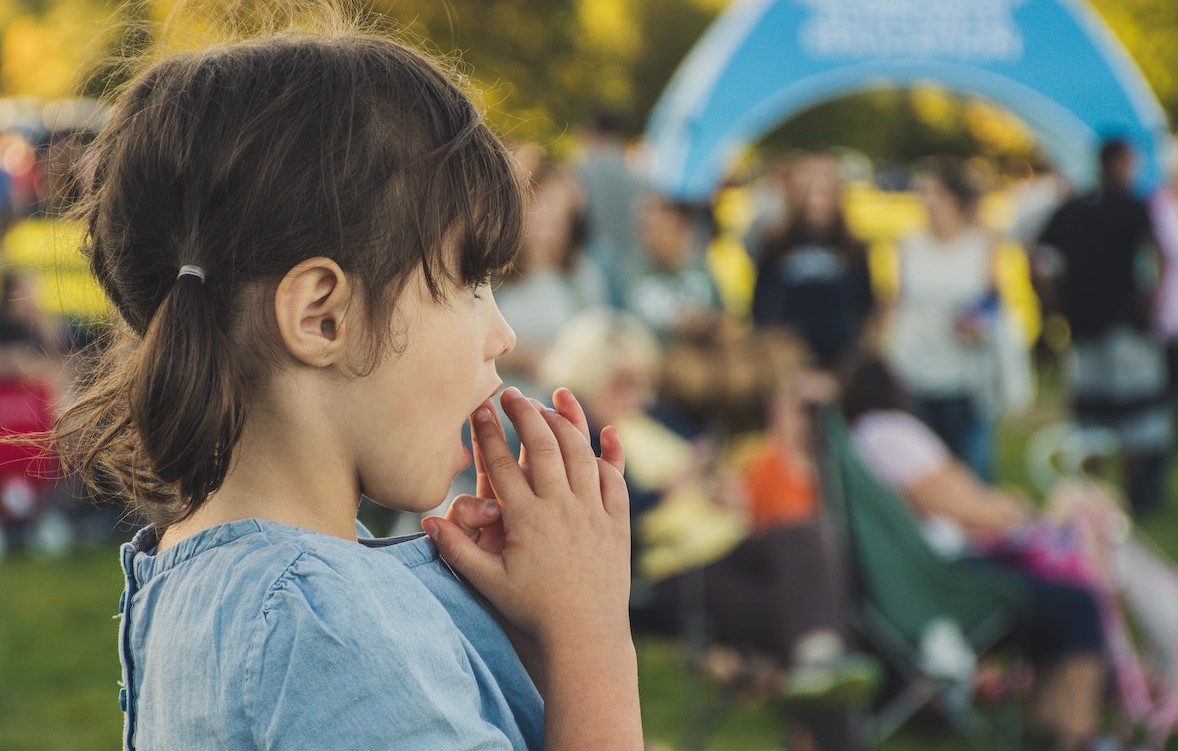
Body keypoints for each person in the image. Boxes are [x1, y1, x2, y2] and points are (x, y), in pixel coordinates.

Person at [51, 24, 641, 750]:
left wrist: (525, 636)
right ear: (323, 316)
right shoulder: (322, 625)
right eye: (469, 282)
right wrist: (594, 633)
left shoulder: (225, 578)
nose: (503, 334)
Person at [541, 310, 872, 751]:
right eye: (620, 383)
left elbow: (704, 460)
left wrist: (717, 486)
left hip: (727, 539)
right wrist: (667, 491)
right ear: (590, 378)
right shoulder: (582, 438)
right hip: (673, 567)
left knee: (806, 534)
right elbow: (596, 520)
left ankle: (819, 666)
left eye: (639, 381)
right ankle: (831, 702)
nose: (633, 394)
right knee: (814, 616)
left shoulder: (658, 418)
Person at [841, 356, 1108, 751]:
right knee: (1078, 603)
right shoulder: (889, 434)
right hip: (943, 583)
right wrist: (1017, 510)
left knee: (1057, 600)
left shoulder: (851, 443)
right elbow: (962, 501)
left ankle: (1050, 729)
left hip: (911, 585)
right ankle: (1075, 737)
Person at [1037, 139, 1172, 515]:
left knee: (1091, 419)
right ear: (1120, 163)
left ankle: (1094, 494)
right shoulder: (1131, 206)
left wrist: (1052, 305)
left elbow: (1040, 255)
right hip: (1123, 328)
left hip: (1084, 327)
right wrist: (1151, 302)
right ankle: (1133, 497)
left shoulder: (1075, 207)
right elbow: (1158, 253)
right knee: (1134, 419)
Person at [885, 156, 1001, 480]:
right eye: (923, 194)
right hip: (913, 369)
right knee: (919, 470)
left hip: (962, 374)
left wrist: (979, 322)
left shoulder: (982, 244)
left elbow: (994, 301)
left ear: (958, 199)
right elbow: (897, 301)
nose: (928, 203)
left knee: (968, 469)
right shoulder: (909, 243)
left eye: (937, 194)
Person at [495, 160, 607, 400]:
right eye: (547, 203)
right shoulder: (492, 274)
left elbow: (598, 349)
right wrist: (521, 357)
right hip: (495, 409)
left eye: (564, 212)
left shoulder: (582, 277)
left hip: (556, 409)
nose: (554, 217)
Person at [751, 153, 875, 368]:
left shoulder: (853, 246)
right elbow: (762, 304)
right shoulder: (777, 242)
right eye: (810, 188)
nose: (817, 197)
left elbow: (865, 302)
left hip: (839, 358)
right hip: (787, 358)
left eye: (824, 189)